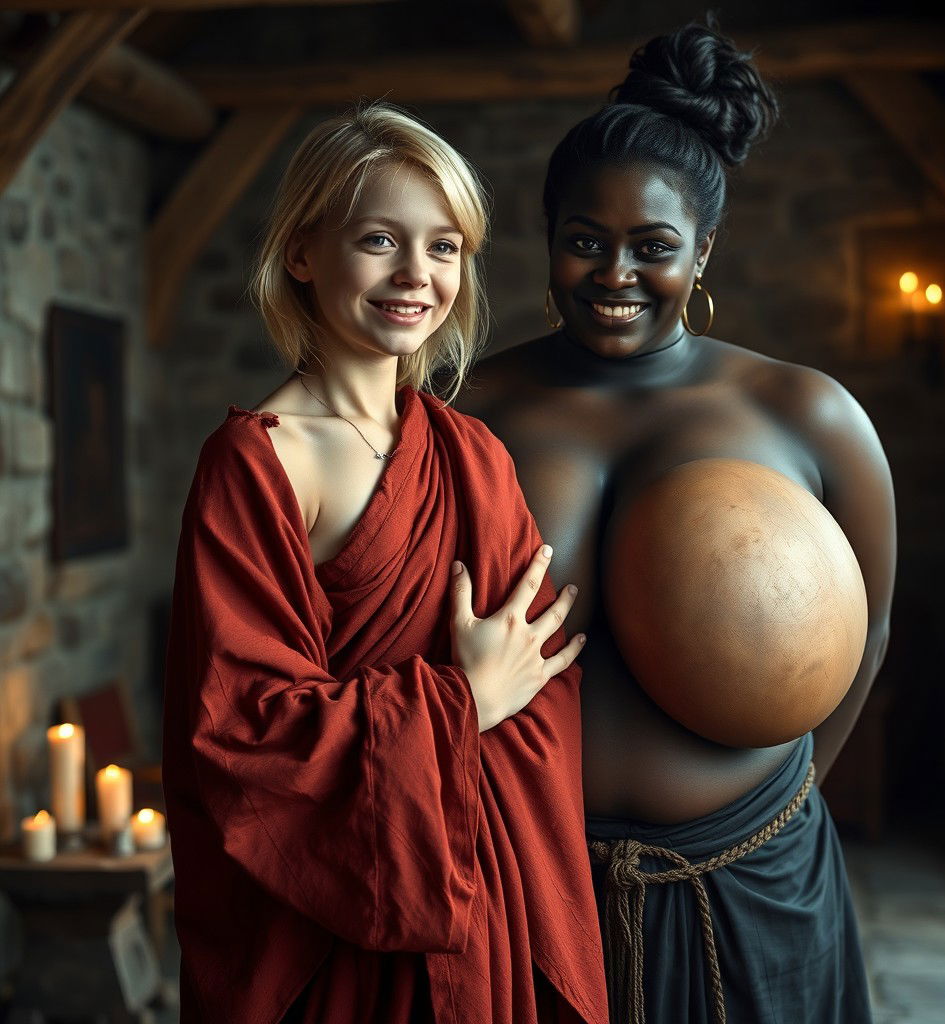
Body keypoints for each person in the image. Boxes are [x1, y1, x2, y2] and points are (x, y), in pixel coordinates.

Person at [459, 21, 895, 1024]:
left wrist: (774, 812)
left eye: (652, 247)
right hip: (529, 889)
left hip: (748, 884)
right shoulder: (469, 411)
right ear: (548, 236)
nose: (615, 274)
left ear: (701, 250)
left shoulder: (803, 412)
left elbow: (866, 628)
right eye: (584, 241)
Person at [162, 104, 609, 1024]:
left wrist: (496, 697)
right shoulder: (258, 460)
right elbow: (241, 731)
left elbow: (541, 674)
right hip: (337, 919)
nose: (417, 275)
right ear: (301, 253)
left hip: (480, 892)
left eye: (445, 247)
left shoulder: (473, 454)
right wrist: (463, 705)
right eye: (379, 240)